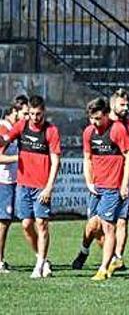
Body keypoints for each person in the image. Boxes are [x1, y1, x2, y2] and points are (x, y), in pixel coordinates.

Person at [72, 88, 129, 271]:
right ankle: (84, 250)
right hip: (97, 186)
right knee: (93, 226)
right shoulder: (89, 132)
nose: (94, 122)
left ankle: (114, 260)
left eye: (97, 118)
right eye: (91, 118)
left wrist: (128, 179)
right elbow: (87, 158)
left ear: (105, 115)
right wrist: (89, 181)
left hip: (116, 185)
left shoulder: (124, 128)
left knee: (118, 222)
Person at [0, 95, 61, 279]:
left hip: (41, 186)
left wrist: (49, 187)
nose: (35, 118)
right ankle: (42, 258)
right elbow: (5, 141)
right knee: (26, 224)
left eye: (38, 114)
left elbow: (56, 161)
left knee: (41, 223)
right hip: (23, 185)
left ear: (44, 112)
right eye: (32, 114)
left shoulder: (51, 131)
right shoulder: (22, 126)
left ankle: (40, 264)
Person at [0, 96, 28, 273]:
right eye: (24, 113)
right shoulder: (5, 129)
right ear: (14, 111)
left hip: (9, 181)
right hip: (3, 182)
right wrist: (19, 158)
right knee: (3, 222)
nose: (27, 118)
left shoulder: (14, 129)